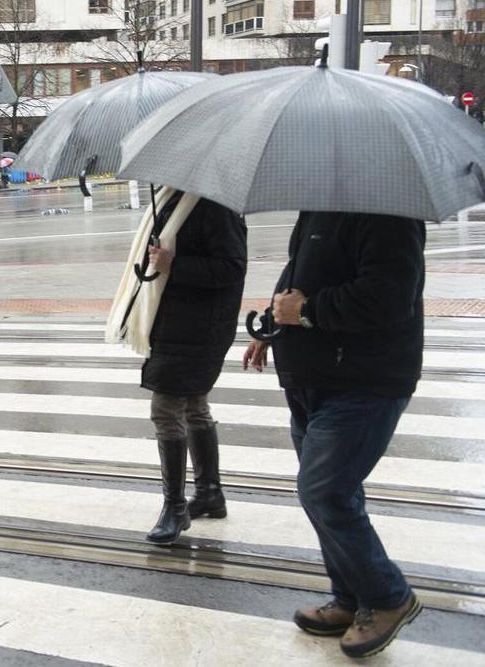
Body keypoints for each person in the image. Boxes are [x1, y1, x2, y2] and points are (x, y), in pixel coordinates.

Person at [244, 211, 424, 658]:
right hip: (313, 379)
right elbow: (299, 275)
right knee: (334, 497)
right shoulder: (320, 206)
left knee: (324, 493)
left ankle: (388, 596)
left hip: (364, 382)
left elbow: (390, 296)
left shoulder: (388, 213)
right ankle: (350, 598)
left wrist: (305, 312)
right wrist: (271, 325)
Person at [140, 192, 247, 545]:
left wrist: (174, 264)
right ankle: (210, 493)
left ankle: (175, 507)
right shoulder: (172, 200)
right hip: (175, 321)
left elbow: (233, 266)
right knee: (194, 405)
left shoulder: (216, 205)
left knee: (165, 409)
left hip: (201, 326)